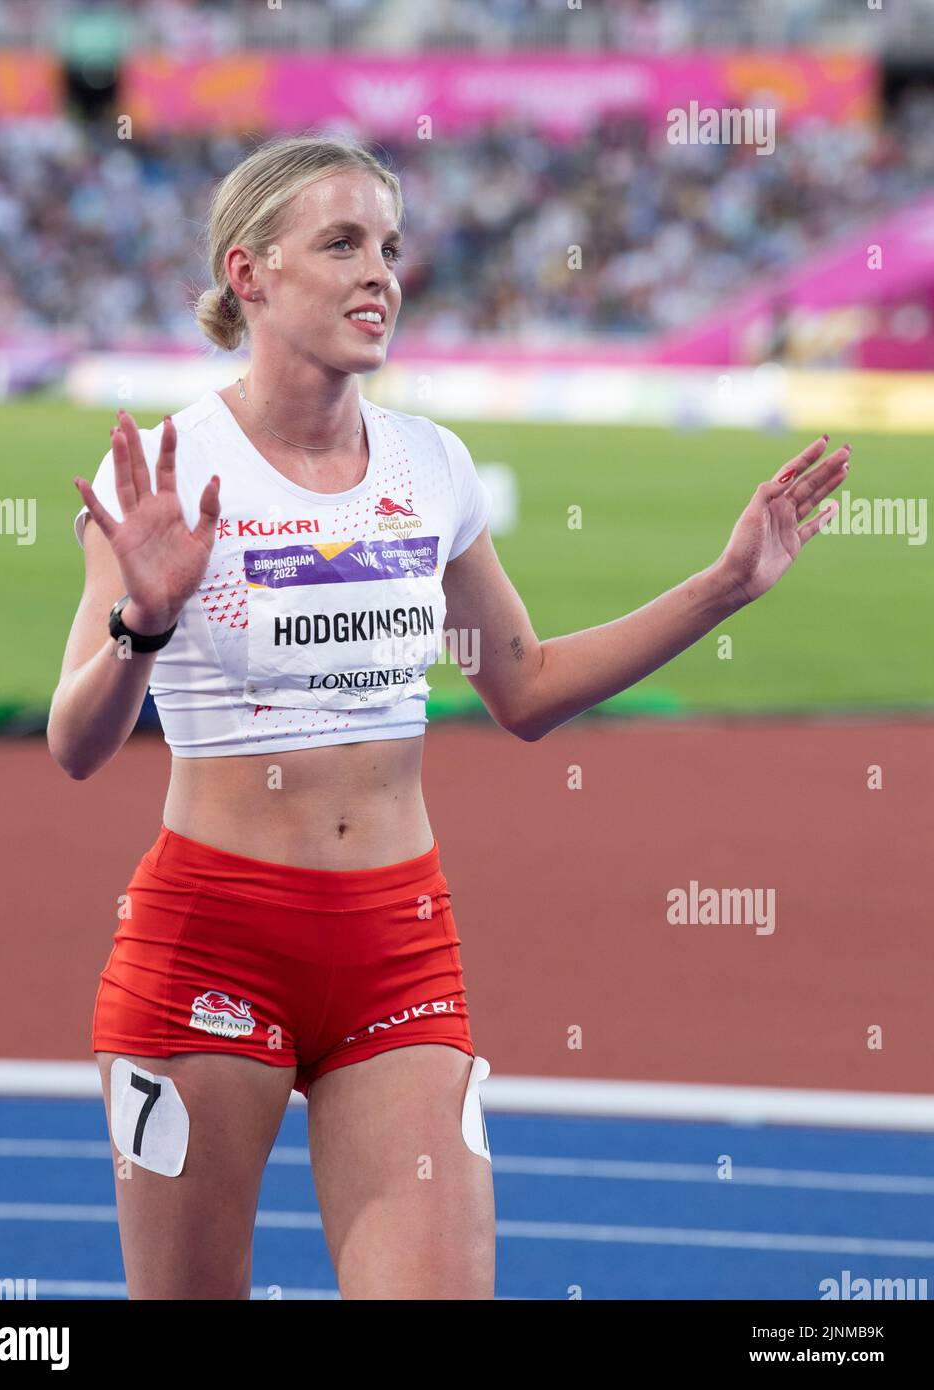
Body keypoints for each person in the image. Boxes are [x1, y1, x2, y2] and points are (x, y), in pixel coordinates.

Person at [48, 133, 851, 1301]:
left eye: (390, 245)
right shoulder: (165, 469)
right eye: (340, 243)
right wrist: (144, 620)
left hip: (395, 946)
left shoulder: (430, 466)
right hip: (209, 940)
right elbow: (76, 744)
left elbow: (519, 687)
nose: (380, 272)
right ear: (249, 272)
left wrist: (722, 586)